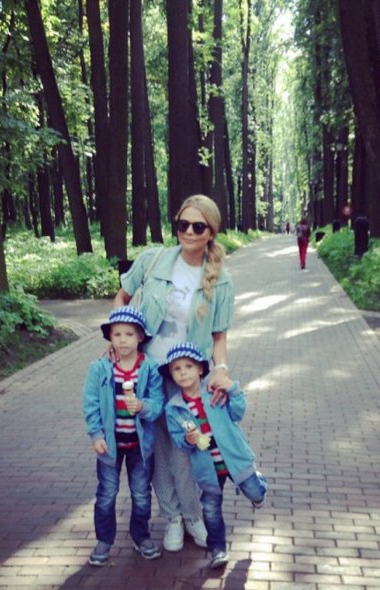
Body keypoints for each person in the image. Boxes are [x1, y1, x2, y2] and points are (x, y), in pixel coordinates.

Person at [113, 194, 235, 552]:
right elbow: (121, 298)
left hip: (185, 379)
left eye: (198, 226)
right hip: (147, 375)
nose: (189, 232)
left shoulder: (221, 281)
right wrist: (117, 338)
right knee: (156, 451)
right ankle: (173, 517)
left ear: (211, 232)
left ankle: (193, 515)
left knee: (187, 449)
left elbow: (219, 336)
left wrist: (221, 370)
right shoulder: (153, 260)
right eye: (183, 224)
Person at [160, 342, 268, 569]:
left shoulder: (215, 393)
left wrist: (232, 388)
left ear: (200, 369)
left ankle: (259, 484)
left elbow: (238, 412)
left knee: (254, 492)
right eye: (177, 369)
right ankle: (218, 549)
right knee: (210, 508)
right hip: (207, 468)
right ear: (171, 374)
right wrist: (188, 440)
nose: (183, 372)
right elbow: (178, 438)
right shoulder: (173, 408)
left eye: (188, 366)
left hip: (235, 459)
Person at [83, 306, 164, 566]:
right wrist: (96, 434)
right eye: (117, 334)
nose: (123, 340)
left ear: (140, 337)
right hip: (110, 444)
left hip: (140, 445)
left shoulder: (149, 368)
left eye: (129, 334)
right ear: (110, 337)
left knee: (141, 493)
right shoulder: (100, 368)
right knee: (107, 493)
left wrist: (143, 407)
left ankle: (141, 535)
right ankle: (104, 540)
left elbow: (157, 402)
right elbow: (91, 403)